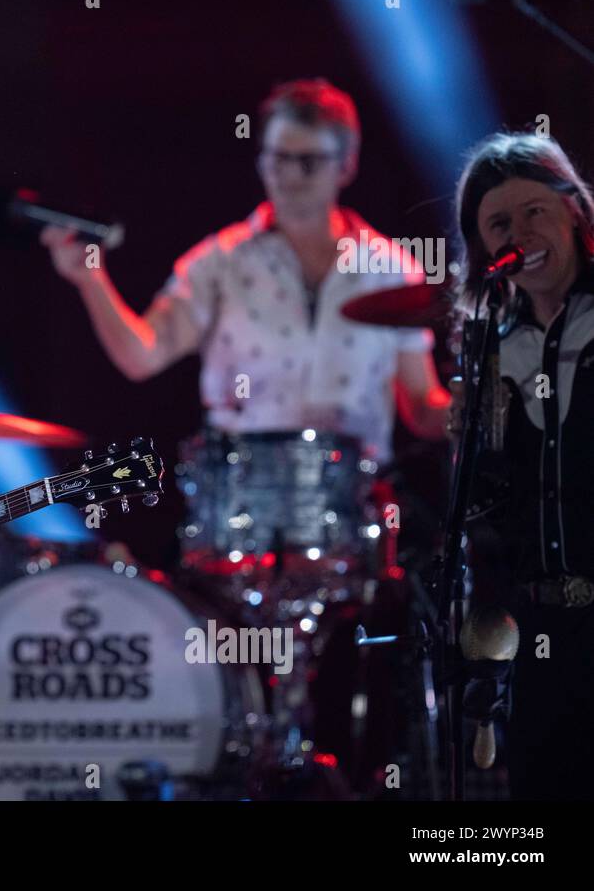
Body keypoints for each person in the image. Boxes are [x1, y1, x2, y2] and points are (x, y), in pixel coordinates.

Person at [41, 78, 450, 460]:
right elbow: (142, 356)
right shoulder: (220, 261)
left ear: (346, 166)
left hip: (353, 506)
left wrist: (468, 408)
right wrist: (89, 279)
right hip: (242, 506)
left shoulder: (391, 268)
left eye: (308, 162)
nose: (289, 176)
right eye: (278, 159)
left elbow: (421, 406)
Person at [448, 132, 594, 801]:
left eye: (535, 211)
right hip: (543, 642)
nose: (520, 232)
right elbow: (487, 513)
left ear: (575, 212)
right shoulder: (494, 354)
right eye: (499, 223)